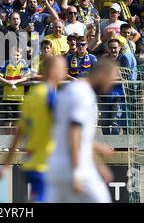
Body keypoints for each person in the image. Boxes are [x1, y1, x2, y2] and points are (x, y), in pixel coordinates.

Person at [0, 56, 66, 202]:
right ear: (53, 71)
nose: (64, 73)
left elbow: (19, 132)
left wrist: (6, 164)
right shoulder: (51, 97)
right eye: (62, 69)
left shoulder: (31, 96)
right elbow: (67, 129)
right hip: (46, 164)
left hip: (32, 164)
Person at [47, 59, 116, 203]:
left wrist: (99, 164)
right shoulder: (84, 94)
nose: (109, 87)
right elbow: (74, 132)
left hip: (58, 167)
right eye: (110, 80)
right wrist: (76, 173)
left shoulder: (72, 90)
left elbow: (78, 136)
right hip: (75, 168)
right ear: (102, 74)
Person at [102, 39, 137, 135]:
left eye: (115, 48)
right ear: (108, 49)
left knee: (115, 121)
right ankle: (106, 144)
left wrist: (109, 78)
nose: (113, 50)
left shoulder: (123, 59)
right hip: (105, 96)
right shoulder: (104, 60)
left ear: (119, 48)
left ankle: (114, 147)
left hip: (119, 95)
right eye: (111, 48)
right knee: (104, 122)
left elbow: (126, 76)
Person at [0, 47, 30, 135]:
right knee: (8, 119)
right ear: (11, 55)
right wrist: (9, 83)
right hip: (7, 97)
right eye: (14, 55)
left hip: (19, 97)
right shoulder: (6, 63)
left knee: (18, 120)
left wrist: (16, 81)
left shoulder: (23, 64)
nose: (16, 57)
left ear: (21, 55)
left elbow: (27, 77)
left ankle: (15, 145)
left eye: (18, 55)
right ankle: (7, 143)